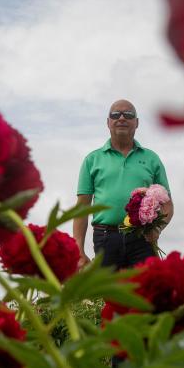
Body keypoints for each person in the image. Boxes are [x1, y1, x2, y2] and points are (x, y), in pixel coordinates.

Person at [74, 99, 173, 270]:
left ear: (137, 123)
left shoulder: (152, 159)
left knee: (145, 292)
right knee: (110, 294)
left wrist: (157, 230)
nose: (121, 118)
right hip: (105, 238)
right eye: (115, 114)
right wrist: (79, 251)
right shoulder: (92, 160)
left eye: (128, 114)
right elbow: (82, 209)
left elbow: (167, 204)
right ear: (108, 122)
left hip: (142, 238)